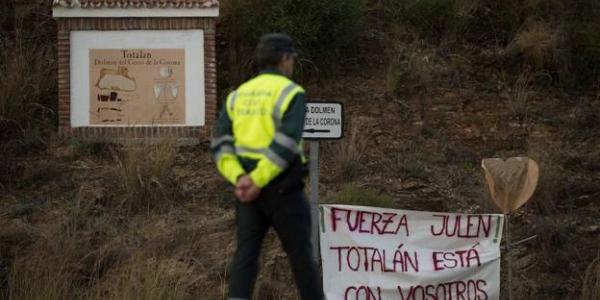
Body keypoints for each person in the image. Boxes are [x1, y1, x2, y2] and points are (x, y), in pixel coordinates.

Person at [211, 33, 324, 300]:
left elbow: (220, 144)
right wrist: (259, 180)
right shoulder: (291, 93)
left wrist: (240, 178)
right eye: (291, 59)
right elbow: (286, 144)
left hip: (246, 191)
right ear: (284, 59)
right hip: (283, 188)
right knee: (301, 258)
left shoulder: (236, 96)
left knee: (245, 257)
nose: (292, 64)